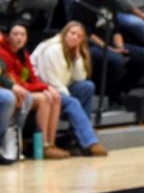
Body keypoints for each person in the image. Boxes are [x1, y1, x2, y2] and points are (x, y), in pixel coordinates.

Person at [71, 0, 144, 103]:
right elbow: (87, 34)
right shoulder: (82, 1)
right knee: (116, 60)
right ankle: (106, 93)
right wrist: (108, 48)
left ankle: (119, 91)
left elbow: (115, 28)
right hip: (90, 45)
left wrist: (120, 47)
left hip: (110, 43)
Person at [31, 22, 107, 156]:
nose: (75, 38)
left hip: (60, 88)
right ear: (65, 32)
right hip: (44, 88)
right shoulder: (53, 49)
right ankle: (89, 141)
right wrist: (69, 97)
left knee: (87, 87)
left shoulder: (71, 50)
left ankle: (77, 136)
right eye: (72, 33)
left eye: (79, 37)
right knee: (73, 103)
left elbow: (80, 78)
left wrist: (78, 57)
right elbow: (51, 80)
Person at [0, 23, 68, 158]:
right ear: (7, 37)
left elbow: (33, 78)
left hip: (23, 90)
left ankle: (51, 142)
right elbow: (16, 83)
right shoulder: (4, 53)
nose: (19, 38)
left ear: (26, 38)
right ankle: (42, 145)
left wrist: (47, 88)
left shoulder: (24, 55)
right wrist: (43, 88)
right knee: (43, 99)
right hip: (15, 90)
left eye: (22, 34)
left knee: (54, 96)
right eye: (15, 34)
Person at [0, 47, 32, 164]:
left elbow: (2, 67)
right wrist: (12, 86)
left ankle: (14, 143)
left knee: (26, 97)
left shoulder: (23, 55)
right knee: (7, 98)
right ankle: (2, 142)